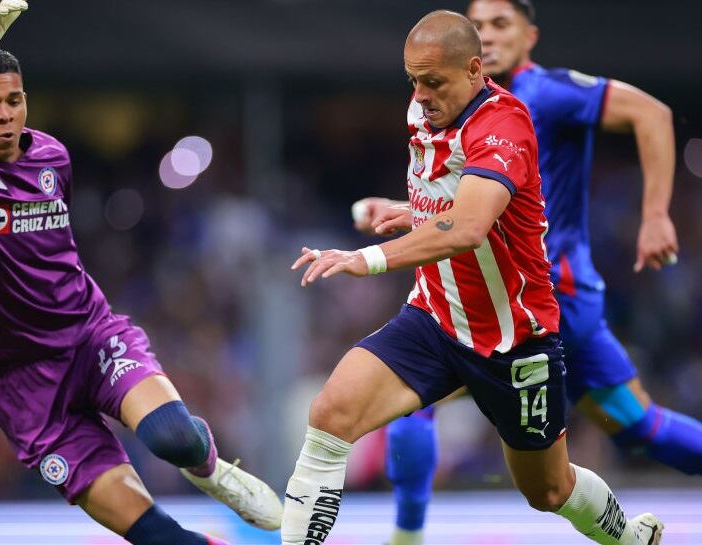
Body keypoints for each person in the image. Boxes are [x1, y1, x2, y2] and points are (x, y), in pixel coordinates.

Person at [0, 2, 283, 543]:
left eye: (15, 100)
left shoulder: (52, 155)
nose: (6, 114)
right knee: (158, 536)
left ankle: (214, 473)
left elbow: (58, 251)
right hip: (22, 382)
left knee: (175, 438)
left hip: (89, 336)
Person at [280, 9, 663, 545]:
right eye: (413, 79)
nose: (421, 93)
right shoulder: (424, 109)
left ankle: (631, 538)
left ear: (475, 70)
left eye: (433, 81)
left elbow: (469, 227)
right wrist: (409, 210)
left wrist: (366, 258)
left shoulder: (506, 124)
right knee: (329, 418)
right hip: (435, 319)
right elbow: (449, 196)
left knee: (548, 491)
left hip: (514, 339)